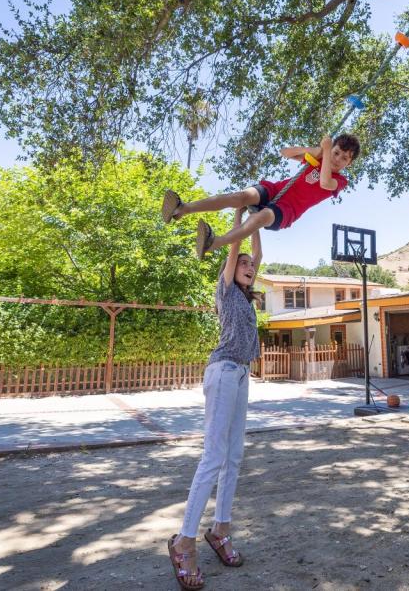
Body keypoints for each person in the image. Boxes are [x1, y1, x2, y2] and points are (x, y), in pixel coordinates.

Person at [167, 207, 262, 590]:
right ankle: (184, 541)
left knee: (234, 457)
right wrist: (240, 211)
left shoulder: (248, 298)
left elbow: (257, 252)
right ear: (230, 268)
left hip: (241, 373)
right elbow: (236, 247)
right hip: (222, 370)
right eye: (242, 263)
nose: (248, 266)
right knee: (214, 456)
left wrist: (260, 218)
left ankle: (220, 530)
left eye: (251, 266)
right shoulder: (225, 290)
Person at [162, 133, 360, 259]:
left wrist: (327, 150)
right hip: (276, 190)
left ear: (348, 164)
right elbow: (285, 152)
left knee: (260, 218)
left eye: (344, 158)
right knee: (240, 197)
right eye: (336, 153)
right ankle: (183, 208)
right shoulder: (318, 158)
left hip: (287, 210)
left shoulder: (340, 181)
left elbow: (325, 182)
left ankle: (214, 242)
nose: (337, 159)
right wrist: (313, 150)